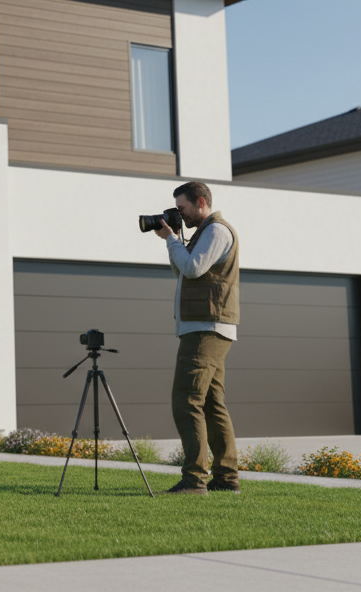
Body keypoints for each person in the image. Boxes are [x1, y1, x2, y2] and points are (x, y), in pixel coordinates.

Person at [154, 181, 240, 495]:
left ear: (200, 202)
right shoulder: (204, 233)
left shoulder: (217, 231)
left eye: (182, 208)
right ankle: (226, 478)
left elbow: (191, 268)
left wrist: (173, 240)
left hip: (206, 327)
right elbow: (184, 271)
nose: (179, 214)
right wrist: (172, 242)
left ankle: (194, 479)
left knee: (186, 400)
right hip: (207, 326)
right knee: (212, 403)